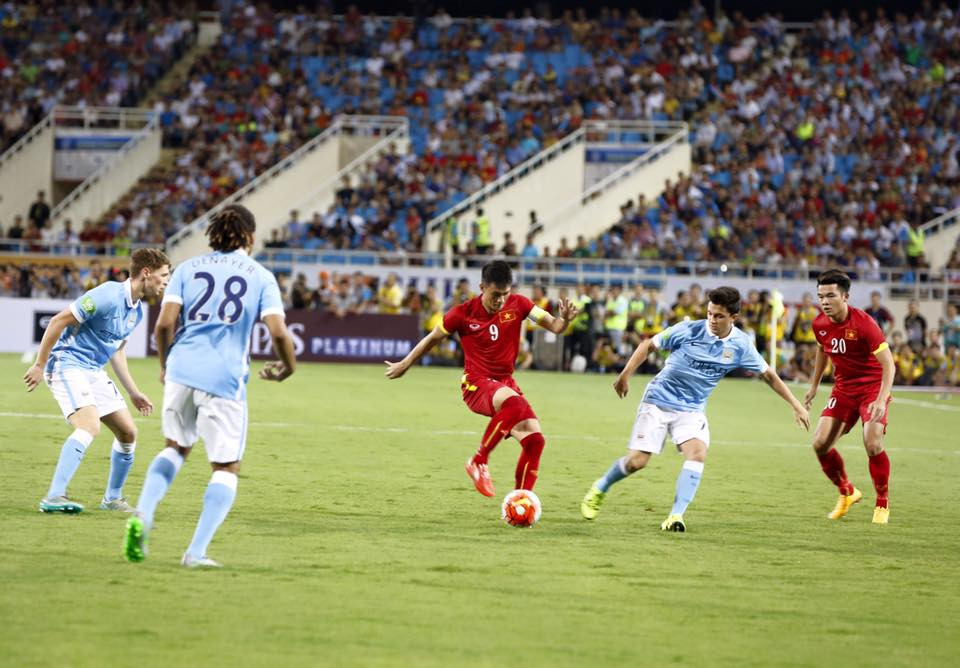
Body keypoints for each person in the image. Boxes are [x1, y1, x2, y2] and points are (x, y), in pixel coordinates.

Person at [123, 204, 297, 568]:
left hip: (182, 369)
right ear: (249, 236)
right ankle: (195, 552)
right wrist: (288, 367)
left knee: (175, 446)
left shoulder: (187, 268)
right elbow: (278, 331)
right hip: (223, 376)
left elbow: (163, 326)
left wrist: (165, 365)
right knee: (225, 467)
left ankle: (145, 512)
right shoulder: (260, 275)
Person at [580, 287, 810, 532]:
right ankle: (600, 488)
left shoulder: (741, 344)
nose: (712, 320)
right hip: (658, 400)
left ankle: (675, 517)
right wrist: (625, 375)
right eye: (710, 313)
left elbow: (768, 375)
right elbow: (649, 345)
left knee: (697, 453)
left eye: (719, 316)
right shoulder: (688, 329)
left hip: (691, 408)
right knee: (637, 461)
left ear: (734, 317)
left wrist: (796, 405)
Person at [384, 260, 578, 502]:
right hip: (476, 384)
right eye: (496, 294)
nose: (500, 300)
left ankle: (521, 502)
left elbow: (556, 326)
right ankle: (479, 460)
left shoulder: (520, 304)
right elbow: (432, 339)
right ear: (482, 287)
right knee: (515, 405)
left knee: (535, 440)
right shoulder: (462, 313)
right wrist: (405, 364)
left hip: (505, 384)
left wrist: (566, 320)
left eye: (505, 294)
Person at [23, 248, 172, 513]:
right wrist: (39, 363)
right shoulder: (107, 295)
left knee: (128, 432)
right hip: (67, 364)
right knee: (90, 426)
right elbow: (58, 320)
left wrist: (134, 392)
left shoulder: (135, 311)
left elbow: (116, 349)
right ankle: (54, 496)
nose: (166, 281)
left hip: (92, 371)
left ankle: (112, 499)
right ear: (146, 273)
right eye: (164, 275)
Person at [803, 269, 896, 525]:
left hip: (871, 388)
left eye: (830, 295)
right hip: (843, 390)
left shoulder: (865, 324)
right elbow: (823, 351)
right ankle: (847, 491)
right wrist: (814, 386)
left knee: (873, 441)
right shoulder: (819, 324)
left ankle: (882, 503)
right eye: (821, 296)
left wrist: (881, 398)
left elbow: (889, 364)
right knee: (820, 443)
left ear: (845, 296)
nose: (824, 301)